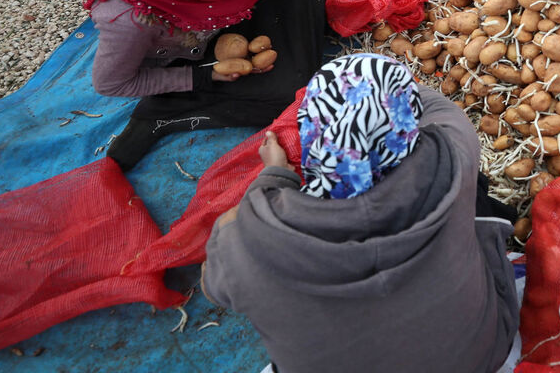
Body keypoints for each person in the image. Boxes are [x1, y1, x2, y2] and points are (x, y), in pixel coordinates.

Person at [201, 53, 520, 373]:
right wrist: (386, 89)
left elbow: (212, 288)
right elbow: (433, 105)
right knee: (474, 190)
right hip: (481, 357)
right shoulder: (454, 152)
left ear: (310, 131)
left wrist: (272, 178)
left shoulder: (244, 243)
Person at [85, 0, 338, 170]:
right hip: (190, 59)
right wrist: (208, 75)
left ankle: (286, 39)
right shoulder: (128, 21)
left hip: (227, 19)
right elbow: (110, 83)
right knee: (290, 94)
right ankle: (160, 115)